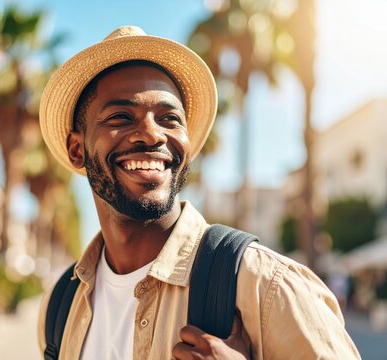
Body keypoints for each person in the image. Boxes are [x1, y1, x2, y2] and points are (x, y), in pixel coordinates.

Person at [37, 26, 360, 359]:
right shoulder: (61, 304)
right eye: (120, 116)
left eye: (169, 118)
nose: (151, 135)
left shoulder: (265, 285)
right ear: (77, 150)